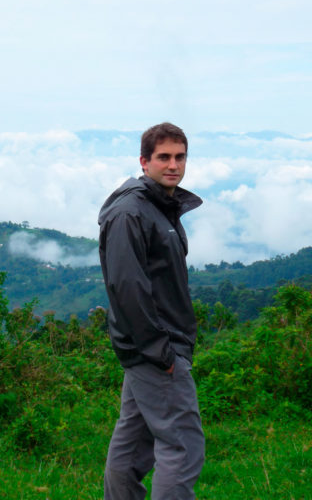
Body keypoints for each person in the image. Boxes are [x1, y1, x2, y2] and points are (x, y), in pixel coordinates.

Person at [98, 122, 205, 499]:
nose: (173, 165)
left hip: (148, 347)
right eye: (164, 157)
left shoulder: (160, 206)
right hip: (156, 347)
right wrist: (161, 351)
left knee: (133, 441)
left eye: (179, 157)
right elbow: (127, 288)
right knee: (183, 446)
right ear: (144, 162)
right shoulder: (132, 213)